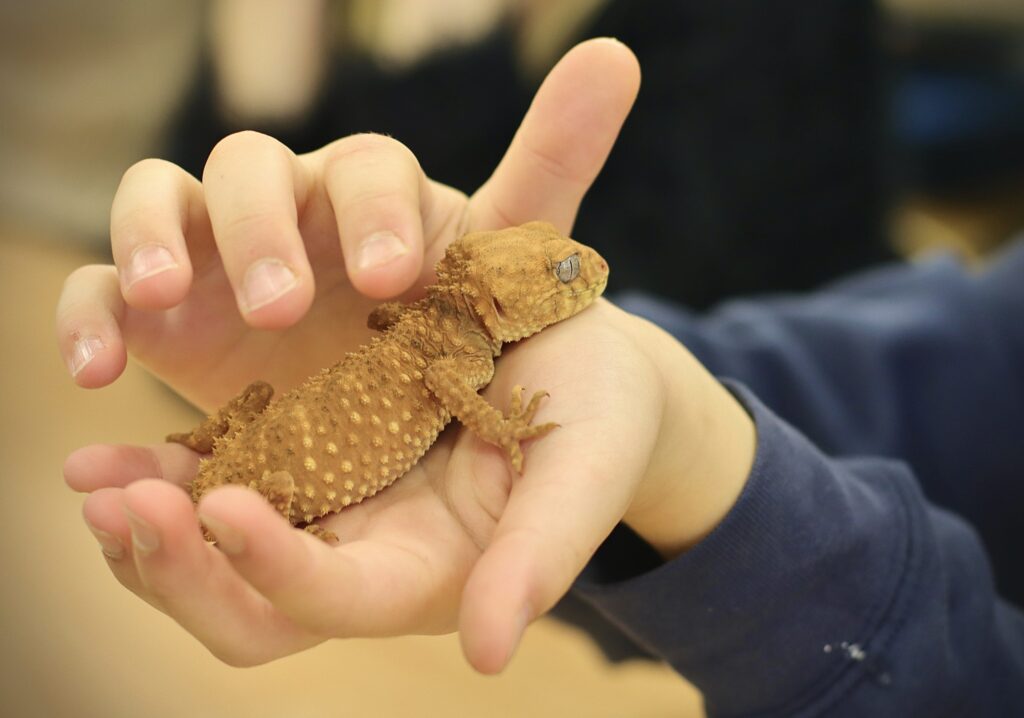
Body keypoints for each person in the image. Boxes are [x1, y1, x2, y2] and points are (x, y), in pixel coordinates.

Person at [59, 39, 1023, 714]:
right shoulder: (456, 336)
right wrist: (573, 427)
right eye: (563, 269)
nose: (588, 276)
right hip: (274, 475)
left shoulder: (459, 339)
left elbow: (449, 388)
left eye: (567, 271)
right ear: (498, 296)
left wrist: (631, 436)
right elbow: (444, 387)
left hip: (269, 454)